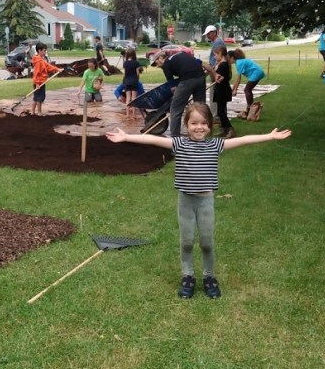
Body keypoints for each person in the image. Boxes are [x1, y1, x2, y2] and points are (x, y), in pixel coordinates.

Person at [106, 102, 292, 299]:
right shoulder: (179, 144)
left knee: (206, 243)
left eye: (204, 123)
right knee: (186, 242)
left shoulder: (215, 145)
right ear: (187, 125)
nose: (199, 127)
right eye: (194, 123)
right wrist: (127, 137)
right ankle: (187, 276)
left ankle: (209, 277)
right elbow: (153, 139)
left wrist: (270, 136)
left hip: (205, 202)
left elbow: (244, 140)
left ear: (209, 125)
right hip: (185, 202)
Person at [152, 49, 214, 137]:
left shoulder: (166, 64)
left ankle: (175, 136)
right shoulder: (181, 54)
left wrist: (178, 97)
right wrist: (215, 75)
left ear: (161, 58)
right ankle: (203, 133)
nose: (157, 66)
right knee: (201, 107)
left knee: (175, 109)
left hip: (187, 81)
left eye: (156, 63)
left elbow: (173, 86)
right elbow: (203, 64)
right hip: (201, 78)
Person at [229, 48, 267, 121]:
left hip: (256, 73)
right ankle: (251, 108)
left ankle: (250, 108)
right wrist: (233, 89)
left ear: (232, 58)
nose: (228, 60)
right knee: (248, 90)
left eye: (228, 58)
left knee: (247, 90)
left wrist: (235, 90)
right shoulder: (239, 62)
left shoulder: (239, 63)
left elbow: (238, 79)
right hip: (258, 72)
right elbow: (237, 79)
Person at [28, 42, 63, 116]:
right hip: (39, 82)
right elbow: (36, 73)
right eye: (44, 51)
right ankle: (39, 112)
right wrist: (37, 83)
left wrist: (57, 69)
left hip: (41, 82)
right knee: (39, 98)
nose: (45, 52)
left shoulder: (41, 60)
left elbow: (48, 66)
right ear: (39, 50)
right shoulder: (38, 61)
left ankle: (32, 111)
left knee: (36, 97)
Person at [210, 45, 235, 138]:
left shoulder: (222, 65)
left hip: (222, 91)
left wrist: (212, 69)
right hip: (221, 90)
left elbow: (215, 77)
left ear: (220, 54)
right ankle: (224, 130)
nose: (214, 57)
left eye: (215, 55)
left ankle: (230, 129)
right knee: (221, 111)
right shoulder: (223, 64)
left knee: (221, 112)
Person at [204, 25, 225, 104]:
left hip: (216, 71)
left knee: (215, 94)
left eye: (209, 34)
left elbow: (217, 59)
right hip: (214, 70)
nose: (207, 36)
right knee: (214, 93)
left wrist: (211, 71)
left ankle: (215, 111)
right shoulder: (215, 42)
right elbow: (213, 59)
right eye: (207, 34)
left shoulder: (218, 43)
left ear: (214, 33)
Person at [122, 48, 143, 117]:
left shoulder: (125, 63)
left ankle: (127, 115)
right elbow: (137, 73)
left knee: (128, 98)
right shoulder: (136, 63)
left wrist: (124, 81)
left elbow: (124, 74)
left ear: (127, 55)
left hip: (127, 81)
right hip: (134, 81)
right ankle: (134, 115)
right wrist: (137, 79)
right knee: (134, 98)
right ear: (134, 54)